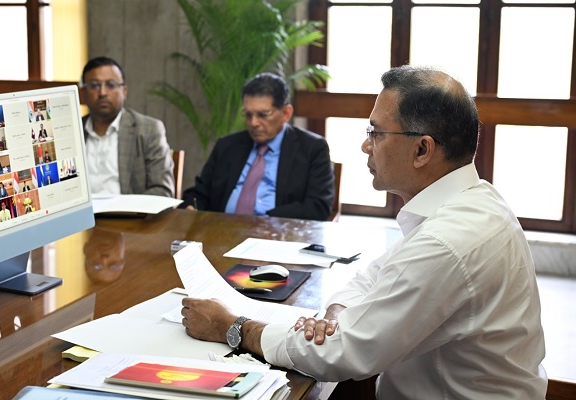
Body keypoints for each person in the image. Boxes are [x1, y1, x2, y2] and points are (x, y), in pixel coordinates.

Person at [180, 66, 547, 399]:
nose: (365, 145)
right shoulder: (474, 201)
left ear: (422, 149)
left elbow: (341, 354)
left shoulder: (447, 241)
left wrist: (231, 326)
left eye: (376, 132)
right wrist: (335, 314)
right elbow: (375, 275)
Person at [181, 72, 334, 221]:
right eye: (248, 115)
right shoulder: (227, 146)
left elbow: (318, 207)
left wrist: (265, 221)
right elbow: (199, 194)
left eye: (263, 114)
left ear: (286, 113)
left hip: (278, 232)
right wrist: (191, 206)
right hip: (222, 230)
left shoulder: (311, 148)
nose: (253, 123)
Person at [80, 56, 174, 197]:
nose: (103, 93)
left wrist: (124, 207)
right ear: (82, 93)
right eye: (94, 85)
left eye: (111, 85)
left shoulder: (149, 130)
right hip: (82, 211)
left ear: (124, 91)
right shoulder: (70, 132)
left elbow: (162, 191)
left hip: (129, 211)